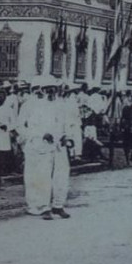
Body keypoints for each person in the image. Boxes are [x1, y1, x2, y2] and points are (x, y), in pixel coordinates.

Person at [20, 87, 58, 218]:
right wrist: (34, 136)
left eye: (48, 90)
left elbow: (57, 125)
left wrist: (53, 136)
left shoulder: (52, 106)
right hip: (32, 146)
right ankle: (32, 205)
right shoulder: (27, 106)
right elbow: (20, 126)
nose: (45, 92)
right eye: (41, 89)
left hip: (47, 147)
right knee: (30, 177)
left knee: (45, 177)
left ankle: (45, 206)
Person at [50, 86, 75, 218]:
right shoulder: (40, 106)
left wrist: (67, 137)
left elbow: (66, 124)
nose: (54, 92)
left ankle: (58, 205)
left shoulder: (62, 106)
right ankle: (44, 207)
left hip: (59, 145)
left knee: (62, 175)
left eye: (55, 90)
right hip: (44, 145)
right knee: (44, 177)